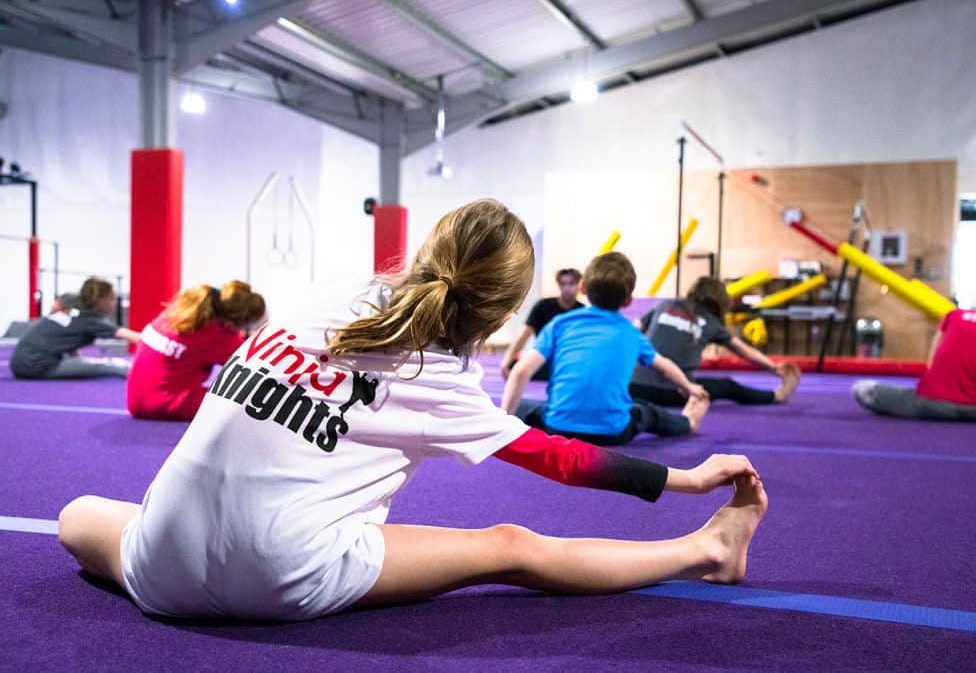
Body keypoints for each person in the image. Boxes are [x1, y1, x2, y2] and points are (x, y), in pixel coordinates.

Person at [57, 199, 767, 621]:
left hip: (159, 571)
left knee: (75, 515)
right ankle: (706, 549)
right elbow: (560, 459)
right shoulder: (442, 380)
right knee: (512, 546)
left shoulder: (316, 301)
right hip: (283, 574)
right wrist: (688, 478)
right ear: (505, 309)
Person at [502, 252, 711, 446]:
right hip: (612, 432)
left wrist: (506, 420)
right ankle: (687, 423)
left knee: (523, 407)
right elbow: (664, 367)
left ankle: (503, 421)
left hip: (558, 428)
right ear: (629, 300)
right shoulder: (631, 333)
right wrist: (688, 386)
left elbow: (521, 371)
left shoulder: (560, 324)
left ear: (582, 287)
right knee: (646, 412)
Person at [629, 277, 801, 407]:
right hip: (675, 391)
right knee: (727, 386)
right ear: (719, 301)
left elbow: (634, 329)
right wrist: (774, 368)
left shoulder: (666, 305)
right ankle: (776, 396)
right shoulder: (710, 322)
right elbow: (744, 351)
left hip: (632, 388)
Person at [853, 305, 976, 421]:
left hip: (929, 404)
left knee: (863, 388)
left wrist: (932, 373)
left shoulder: (958, 314)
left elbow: (936, 347)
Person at [126, 280, 266, 421]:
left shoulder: (176, 314)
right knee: (248, 401)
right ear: (237, 321)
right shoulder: (221, 336)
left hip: (135, 401)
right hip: (168, 403)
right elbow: (256, 365)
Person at [10, 277, 139, 379]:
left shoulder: (72, 307)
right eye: (112, 299)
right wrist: (158, 344)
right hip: (38, 366)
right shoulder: (90, 319)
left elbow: (66, 339)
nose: (114, 303)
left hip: (19, 363)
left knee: (85, 362)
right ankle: (141, 375)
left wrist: (77, 361)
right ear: (102, 300)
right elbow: (132, 337)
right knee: (108, 365)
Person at [500, 268, 583, 380]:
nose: (567, 288)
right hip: (543, 359)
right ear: (558, 285)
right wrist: (507, 361)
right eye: (563, 284)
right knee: (514, 367)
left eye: (571, 284)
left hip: (569, 360)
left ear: (579, 285)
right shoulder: (543, 306)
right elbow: (524, 335)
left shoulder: (582, 311)